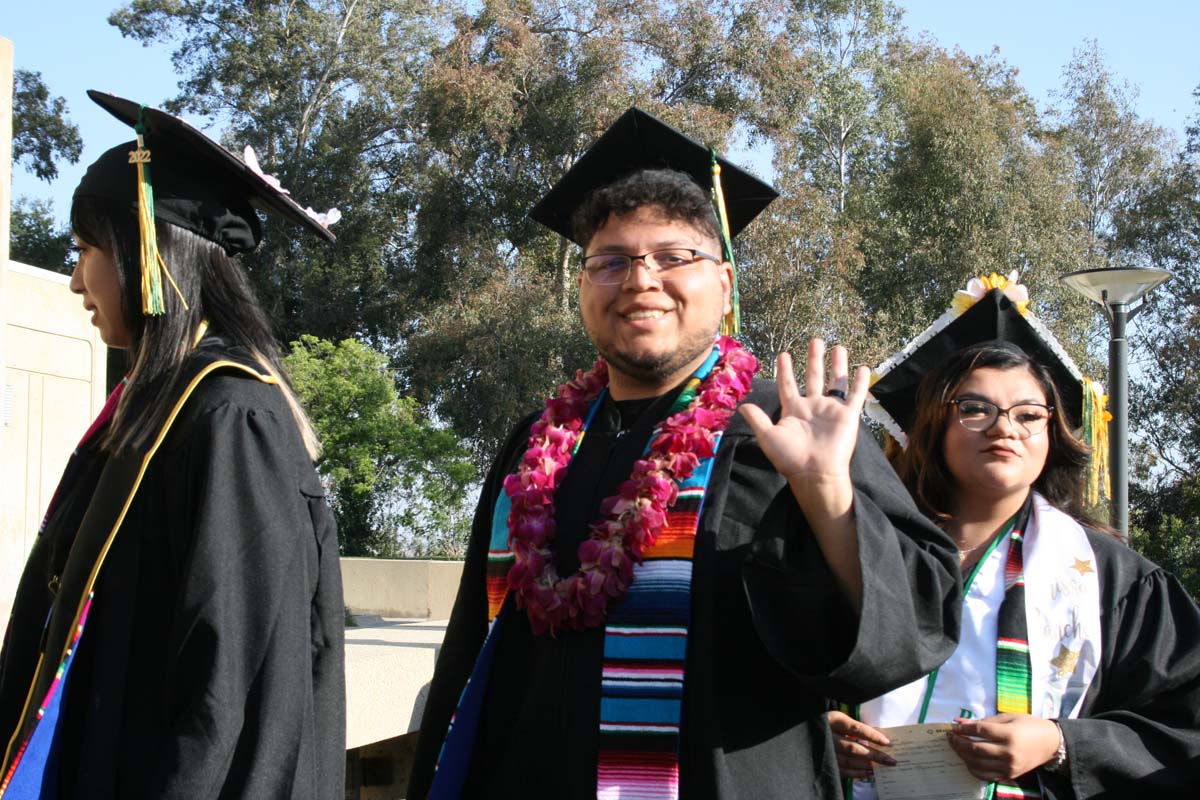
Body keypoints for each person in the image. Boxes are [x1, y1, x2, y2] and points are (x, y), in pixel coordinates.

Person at [407, 107, 961, 800]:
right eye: (611, 261)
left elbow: (909, 625)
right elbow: (471, 653)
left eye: (674, 257)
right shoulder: (533, 447)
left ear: (724, 284)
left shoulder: (782, 429)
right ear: (582, 288)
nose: (640, 280)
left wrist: (828, 496)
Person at [0, 91, 346, 799]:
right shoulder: (149, 415)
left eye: (84, 249)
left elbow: (228, 696)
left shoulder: (229, 420)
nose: (74, 281)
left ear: (147, 252)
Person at [832, 277, 1200, 798]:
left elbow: (1185, 728)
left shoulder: (1114, 580)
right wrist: (819, 734)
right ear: (935, 425)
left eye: (1030, 415)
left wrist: (1060, 743)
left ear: (1053, 435)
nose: (1006, 428)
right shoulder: (861, 547)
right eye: (975, 409)